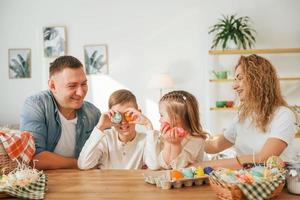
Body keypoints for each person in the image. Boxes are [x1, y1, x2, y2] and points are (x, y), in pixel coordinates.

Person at [202, 54, 297, 169]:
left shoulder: (283, 115)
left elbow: (263, 158)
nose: (234, 86)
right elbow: (215, 145)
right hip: (244, 181)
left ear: (258, 79)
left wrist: (203, 165)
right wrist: (186, 141)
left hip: (273, 184)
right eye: (235, 79)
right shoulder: (242, 116)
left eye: (240, 78)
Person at [20, 55, 101, 170]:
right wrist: (80, 164)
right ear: (53, 86)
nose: (81, 92)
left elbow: (109, 149)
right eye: (72, 85)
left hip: (85, 180)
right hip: (47, 182)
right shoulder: (35, 105)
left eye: (84, 84)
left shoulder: (93, 112)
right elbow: (34, 158)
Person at [78, 89, 160, 170]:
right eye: (118, 116)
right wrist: (100, 127)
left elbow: (154, 166)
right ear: (111, 116)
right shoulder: (105, 138)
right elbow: (84, 164)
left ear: (138, 113)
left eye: (129, 115)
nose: (123, 122)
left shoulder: (145, 140)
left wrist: (148, 124)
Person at [158, 90, 207, 169]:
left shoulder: (196, 140)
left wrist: (175, 144)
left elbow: (178, 167)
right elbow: (163, 164)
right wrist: (167, 142)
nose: (159, 120)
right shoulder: (166, 136)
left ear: (176, 118)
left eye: (162, 115)